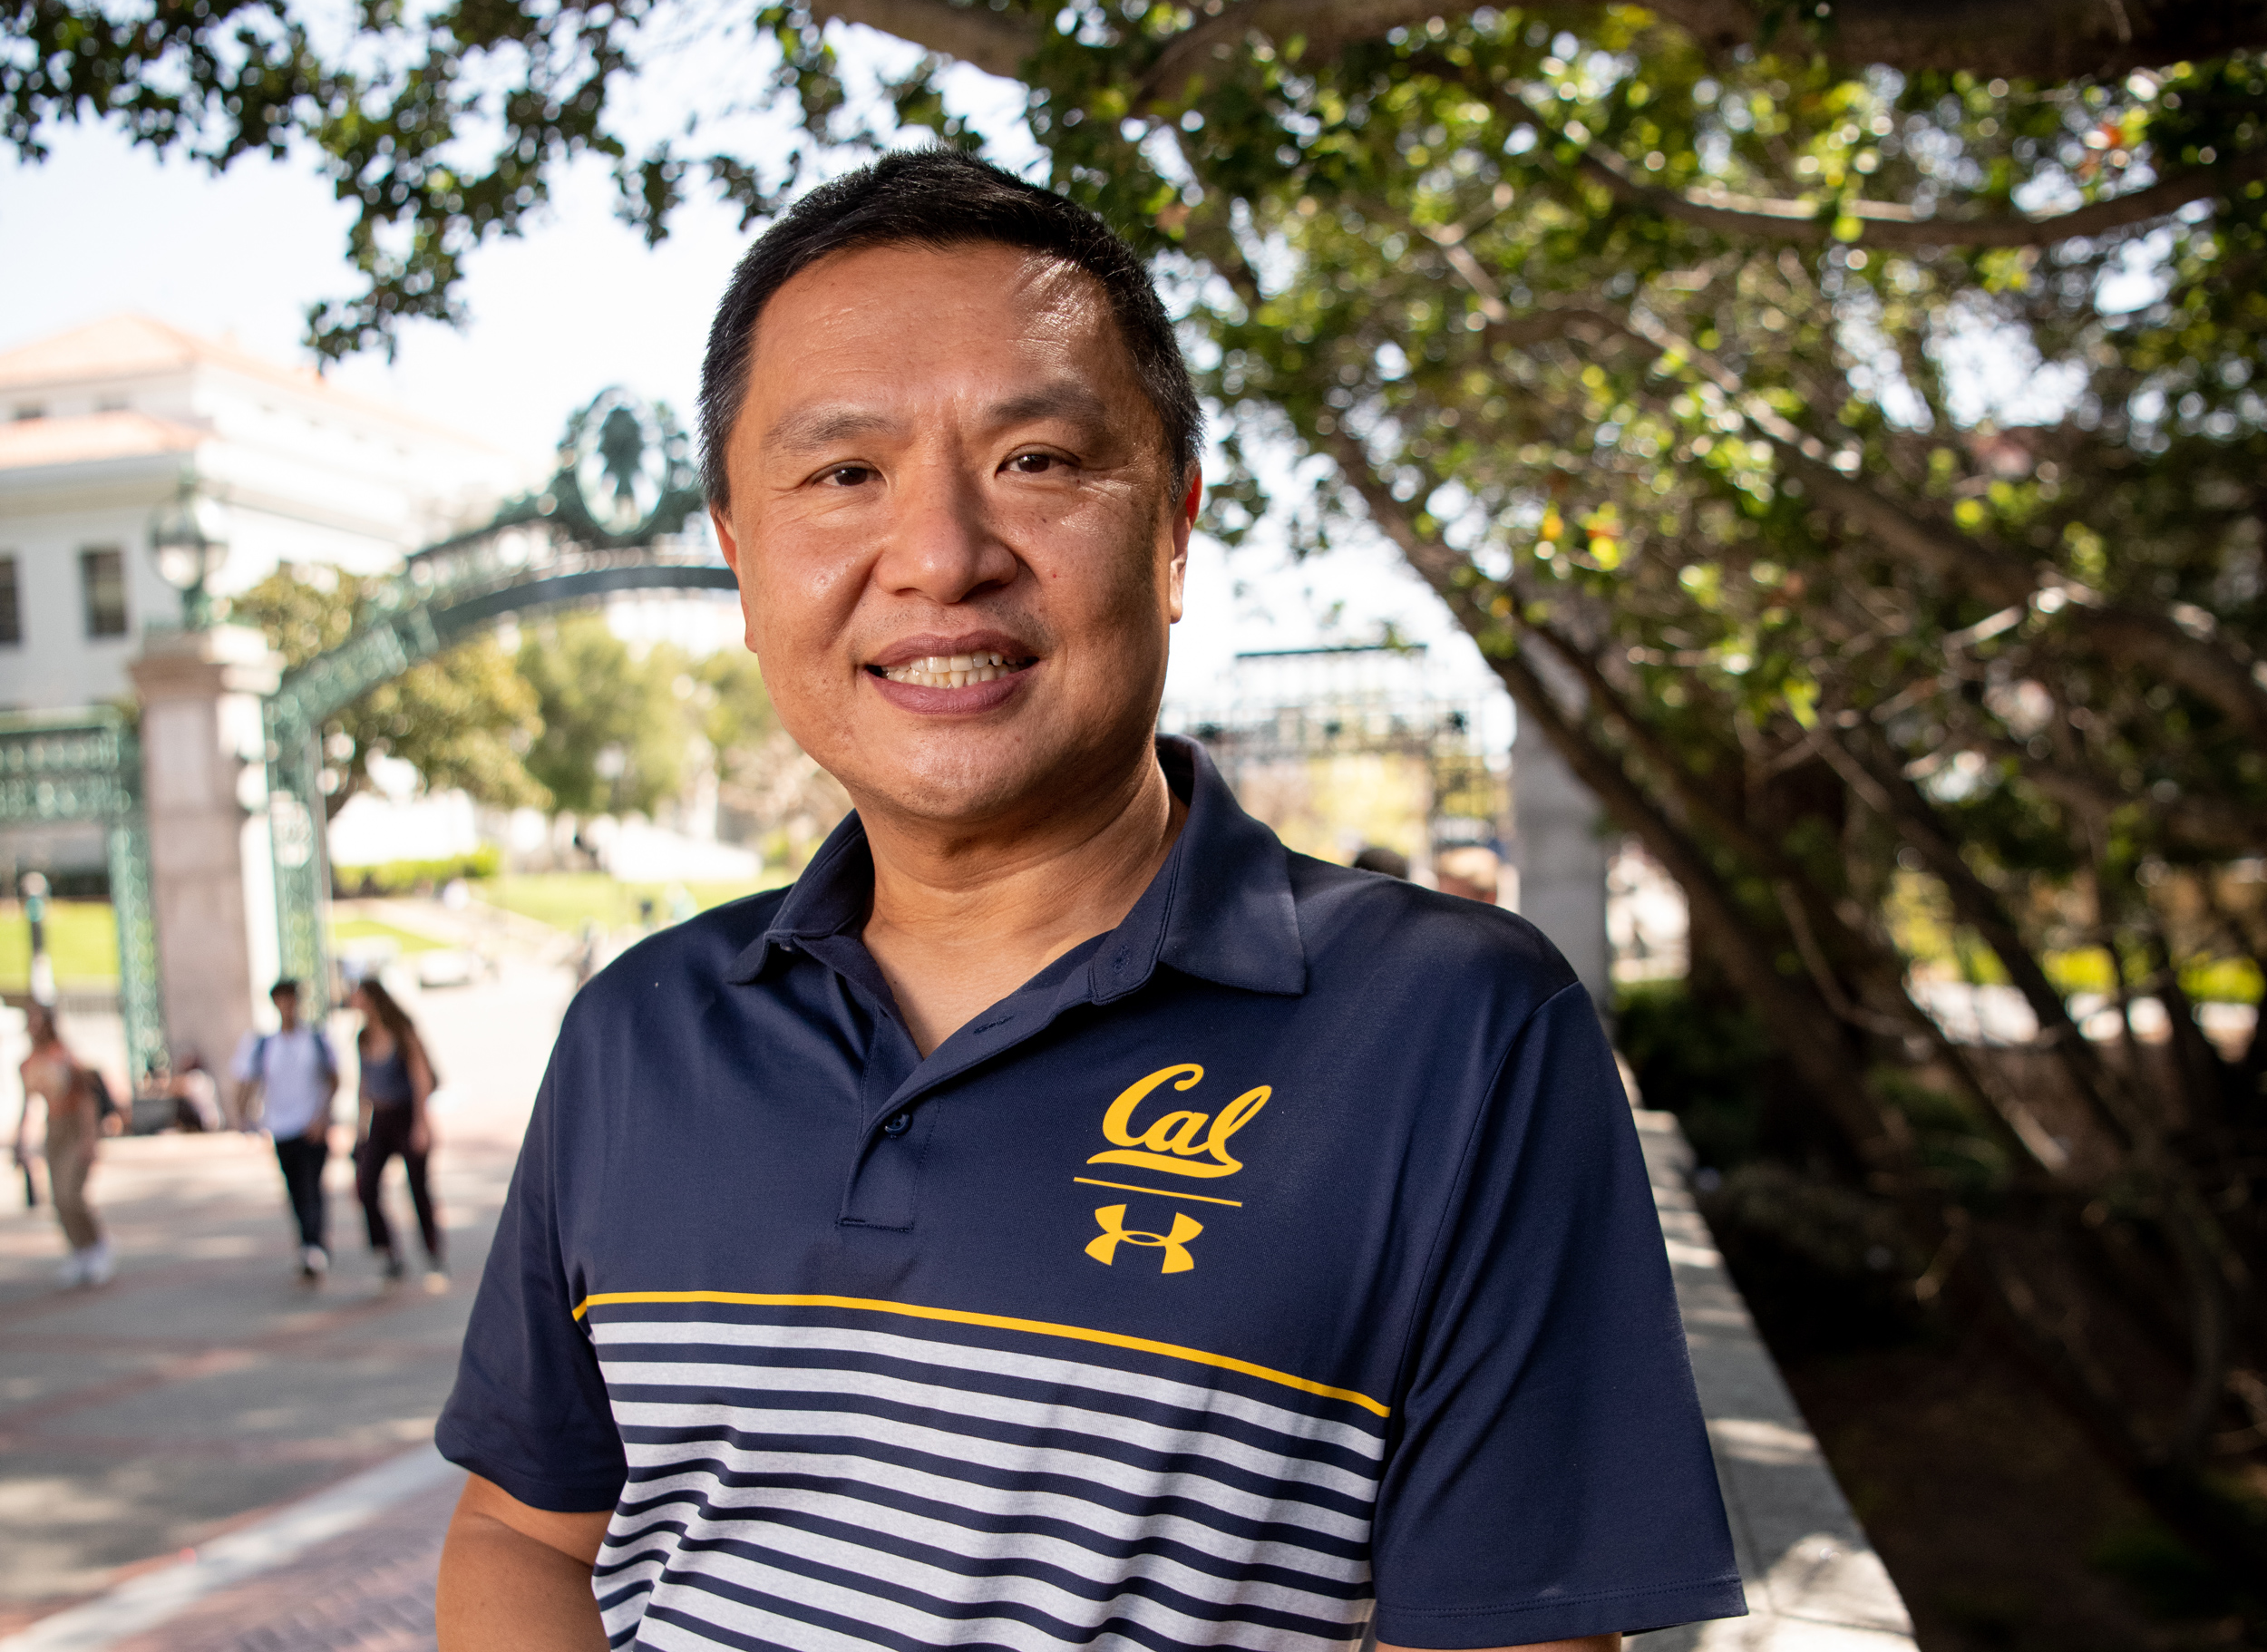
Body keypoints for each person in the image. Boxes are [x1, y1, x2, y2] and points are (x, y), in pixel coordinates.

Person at [434, 151, 1743, 1652]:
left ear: (1174, 527)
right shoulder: (637, 1029)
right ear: (740, 559)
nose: (938, 556)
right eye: (844, 473)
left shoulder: (1458, 1033)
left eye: (1037, 461)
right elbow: (521, 1532)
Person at [232, 977, 339, 1283]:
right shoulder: (265, 1044)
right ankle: (307, 1243)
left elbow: (334, 1078)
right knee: (294, 1187)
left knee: (312, 1185)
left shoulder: (316, 1039)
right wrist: (243, 1116)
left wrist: (323, 1115)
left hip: (312, 1124)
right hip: (281, 1126)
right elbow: (246, 1081)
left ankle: (314, 1245)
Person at [349, 975, 448, 1289]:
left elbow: (420, 1078)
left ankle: (432, 1249)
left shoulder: (401, 1030)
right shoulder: (363, 1038)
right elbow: (363, 1085)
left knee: (417, 1186)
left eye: (359, 995)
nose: (354, 1000)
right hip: (381, 1118)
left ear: (372, 998)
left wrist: (422, 1123)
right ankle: (388, 1249)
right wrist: (360, 1127)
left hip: (407, 1114)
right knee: (366, 1184)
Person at [12, 1005, 114, 1287]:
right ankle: (79, 1253)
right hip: (53, 1130)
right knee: (58, 1199)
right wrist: (20, 1140)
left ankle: (97, 1246)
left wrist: (89, 1139)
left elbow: (86, 1100)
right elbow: (28, 1103)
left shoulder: (65, 1058)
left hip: (75, 1128)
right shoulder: (29, 1063)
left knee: (73, 1195)